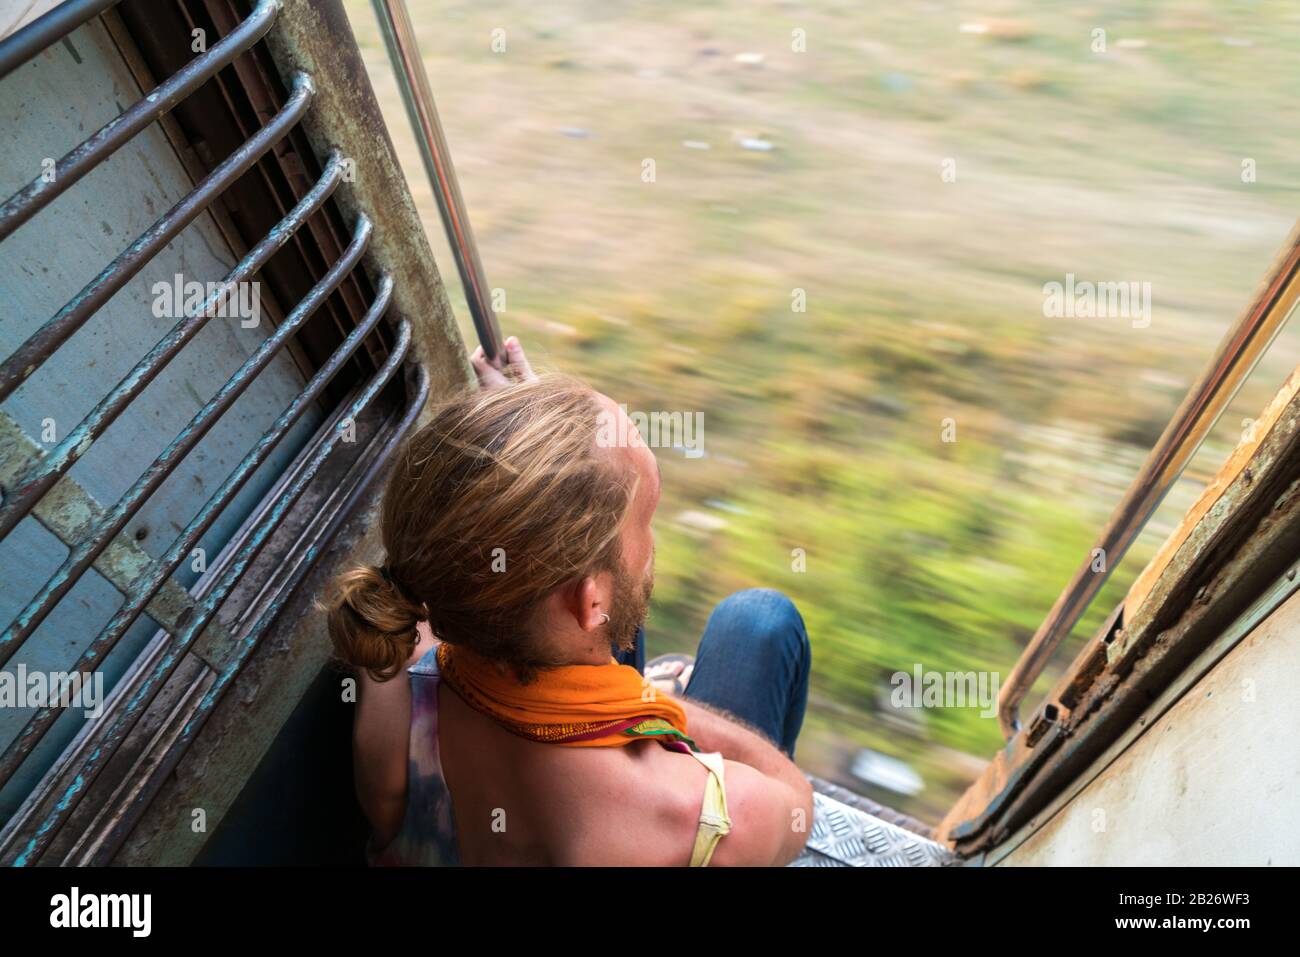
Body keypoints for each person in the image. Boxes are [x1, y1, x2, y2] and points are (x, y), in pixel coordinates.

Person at [324, 337, 813, 866]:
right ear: (590, 599)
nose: (654, 546)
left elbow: (469, 552)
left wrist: (526, 452)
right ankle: (667, 680)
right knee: (760, 620)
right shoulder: (705, 820)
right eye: (646, 522)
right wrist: (650, 702)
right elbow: (796, 800)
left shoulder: (393, 678)